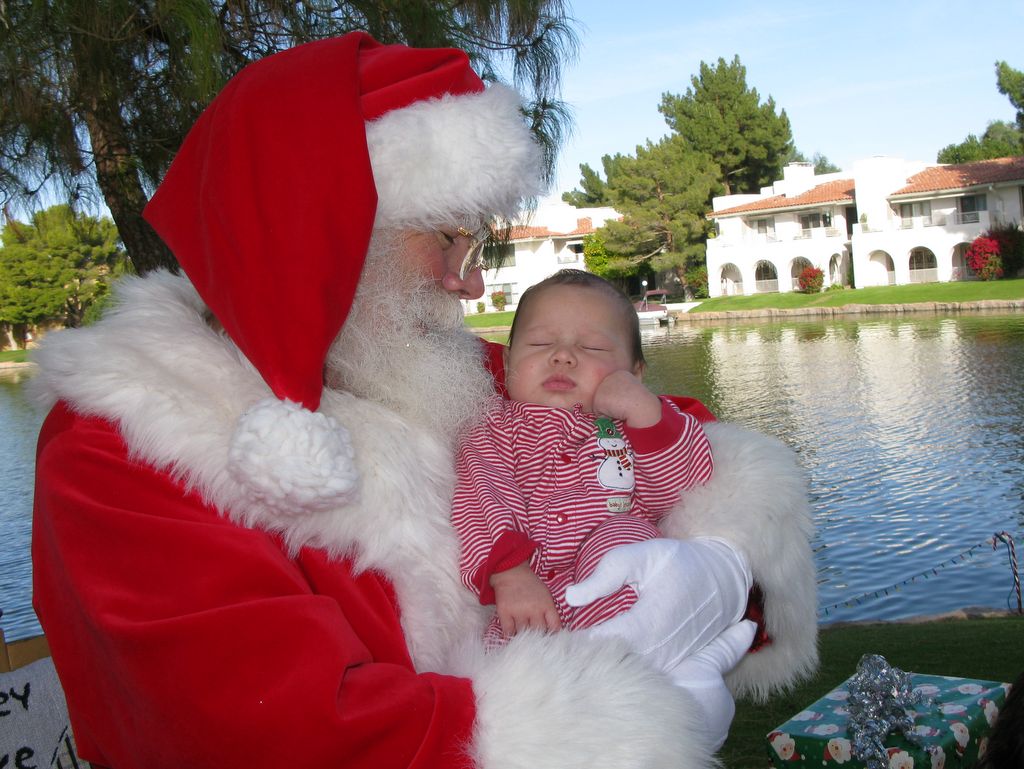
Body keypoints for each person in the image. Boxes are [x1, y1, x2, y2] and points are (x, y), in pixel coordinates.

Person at [30, 31, 818, 769]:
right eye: (447, 239)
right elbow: (267, 725)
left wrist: (717, 563)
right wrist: (595, 715)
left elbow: (679, 432)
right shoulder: (118, 445)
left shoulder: (421, 365)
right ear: (325, 226)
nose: (470, 282)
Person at [453, 269, 758, 748]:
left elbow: (684, 488)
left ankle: (674, 675)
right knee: (505, 667)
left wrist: (647, 415)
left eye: (592, 349)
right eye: (539, 344)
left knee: (623, 542)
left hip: (622, 585)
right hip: (535, 592)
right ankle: (660, 691)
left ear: (634, 371)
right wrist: (509, 573)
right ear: (509, 362)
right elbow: (481, 496)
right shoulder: (494, 430)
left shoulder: (626, 427)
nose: (563, 355)